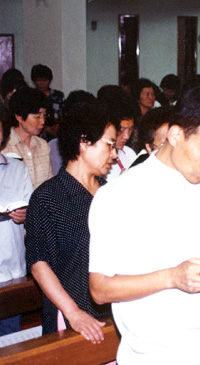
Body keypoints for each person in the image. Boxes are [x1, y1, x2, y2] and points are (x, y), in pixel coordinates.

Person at [88, 87, 200, 364]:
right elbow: (100, 289)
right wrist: (172, 278)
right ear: (175, 135)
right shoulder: (120, 194)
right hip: (156, 353)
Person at [25, 100, 115, 340]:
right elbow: (39, 264)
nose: (114, 154)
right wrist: (74, 313)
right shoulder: (48, 197)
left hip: (112, 310)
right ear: (84, 143)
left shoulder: (110, 193)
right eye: (109, 144)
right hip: (71, 317)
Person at [0, 106, 33, 336]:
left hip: (12, 271)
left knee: (12, 338)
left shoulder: (17, 168)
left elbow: (31, 208)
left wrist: (25, 214)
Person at [1, 87, 53, 188]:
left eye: (44, 116)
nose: (42, 121)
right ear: (19, 117)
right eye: (37, 117)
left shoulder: (43, 146)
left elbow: (50, 183)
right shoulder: (4, 147)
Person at [101, 92, 139, 181]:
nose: (127, 136)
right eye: (122, 130)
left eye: (130, 129)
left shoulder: (129, 152)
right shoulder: (100, 159)